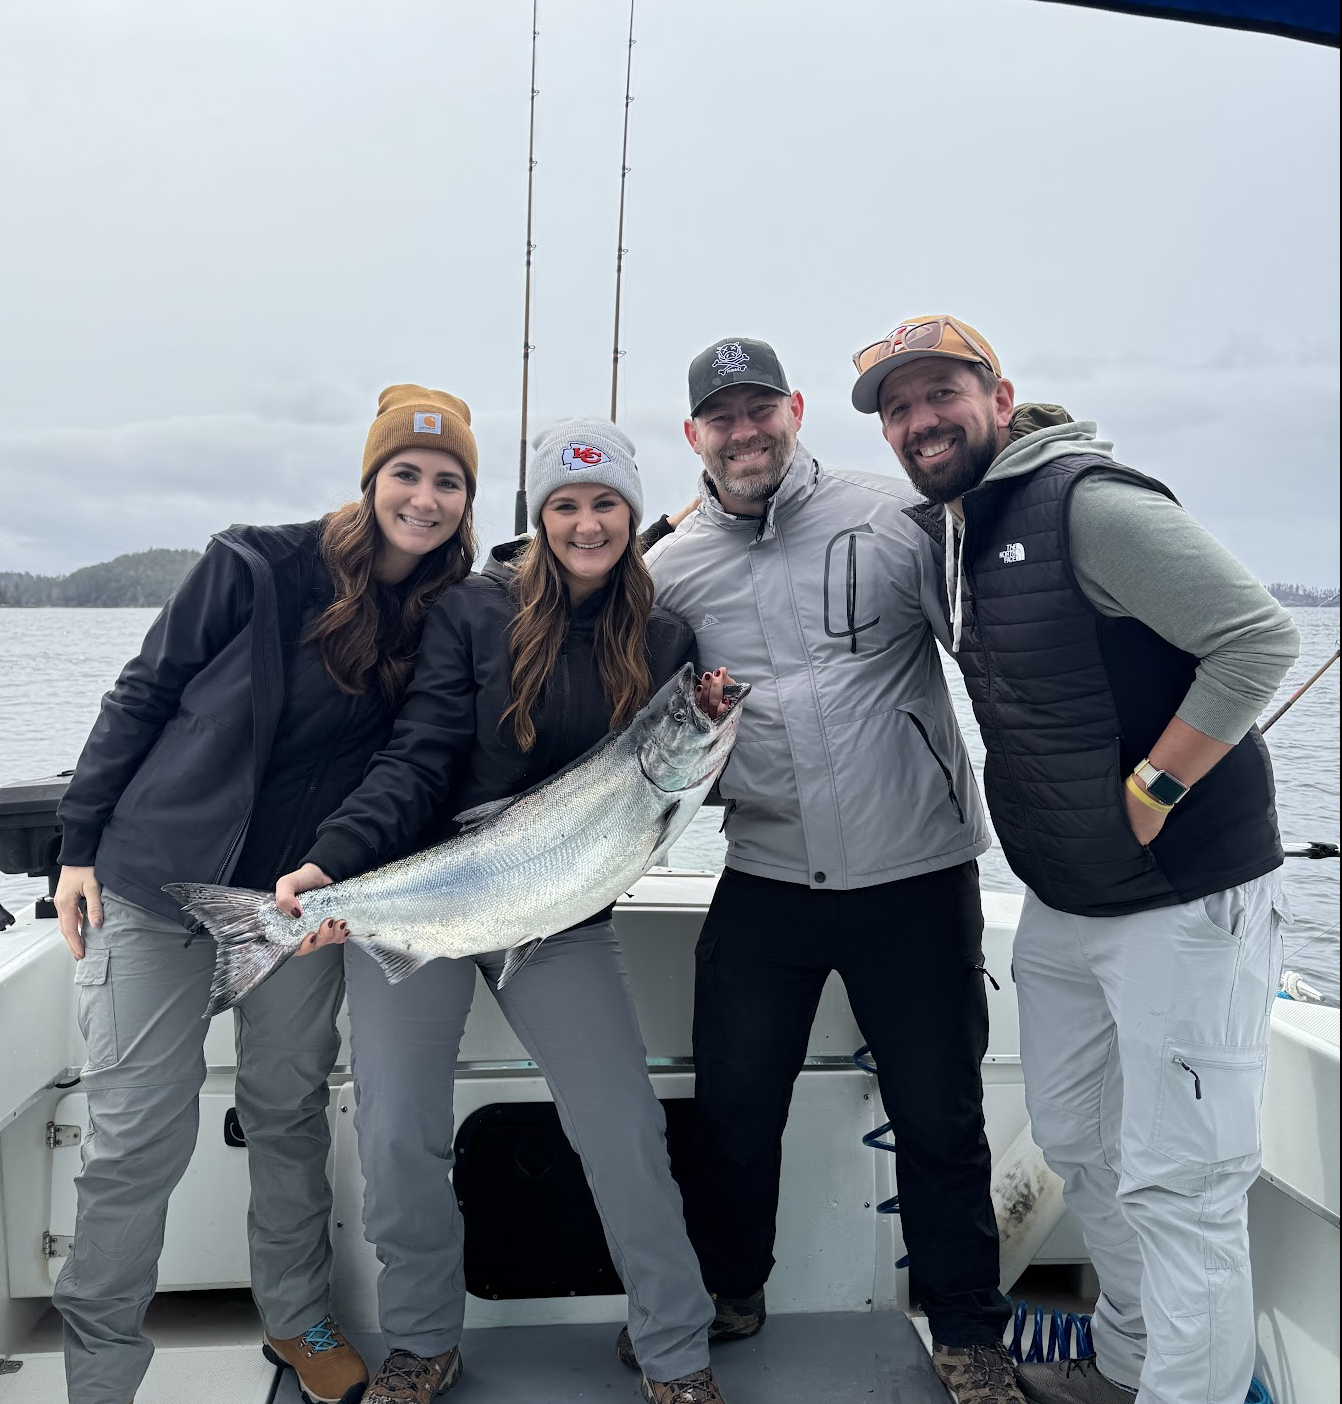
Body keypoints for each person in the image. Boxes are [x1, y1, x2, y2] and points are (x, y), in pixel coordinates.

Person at [849, 315, 1301, 1404]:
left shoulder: (1086, 504)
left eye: (941, 393)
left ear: (999, 398)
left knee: (1180, 1183)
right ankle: (1128, 1362)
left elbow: (1255, 639)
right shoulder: (959, 526)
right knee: (1079, 1140)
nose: (920, 420)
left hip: (1182, 898)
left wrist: (1155, 786)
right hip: (1064, 897)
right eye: (898, 407)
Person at [275, 419, 729, 1404]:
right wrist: (334, 863)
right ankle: (423, 1340)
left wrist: (718, 719)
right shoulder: (473, 612)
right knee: (397, 1132)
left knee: (621, 1126)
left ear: (630, 513)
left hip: (555, 911)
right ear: (539, 514)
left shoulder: (663, 639)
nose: (585, 522)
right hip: (428, 892)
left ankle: (674, 1349)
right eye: (565, 504)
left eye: (604, 502)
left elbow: (664, 788)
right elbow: (419, 756)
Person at [50, 384, 480, 1404]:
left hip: (295, 911)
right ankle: (100, 1374)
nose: (423, 498)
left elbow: (418, 760)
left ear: (468, 499)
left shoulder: (449, 613)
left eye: (448, 481)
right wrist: (77, 844)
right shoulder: (253, 565)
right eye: (406, 474)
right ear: (370, 478)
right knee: (135, 1139)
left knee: (285, 1114)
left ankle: (296, 1317)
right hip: (154, 886)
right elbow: (143, 689)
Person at [643, 339, 1024, 1404]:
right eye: (721, 417)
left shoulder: (892, 514)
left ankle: (966, 1332)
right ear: (694, 438)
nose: (744, 430)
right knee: (730, 1107)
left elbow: (997, 654)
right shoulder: (669, 572)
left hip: (915, 869)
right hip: (765, 869)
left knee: (940, 1113)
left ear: (796, 410)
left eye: (760, 407)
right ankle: (728, 1290)